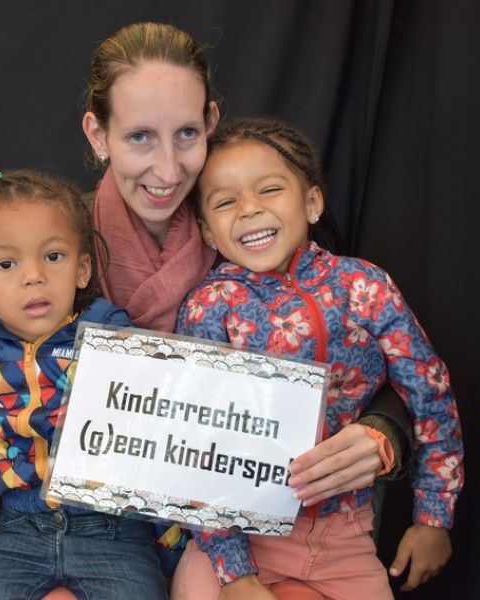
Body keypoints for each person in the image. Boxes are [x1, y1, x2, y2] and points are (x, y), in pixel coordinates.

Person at [78, 21, 415, 580]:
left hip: (263, 540)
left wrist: (386, 429)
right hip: (103, 535)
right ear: (98, 134)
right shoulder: (59, 249)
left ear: (211, 121)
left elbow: (360, 347)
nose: (168, 169)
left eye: (187, 133)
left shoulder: (258, 222)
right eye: (139, 137)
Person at [171, 116, 463, 599]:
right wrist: (234, 571)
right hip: (239, 540)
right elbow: (195, 441)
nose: (249, 209)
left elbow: (429, 391)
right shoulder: (208, 308)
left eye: (269, 189)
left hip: (346, 539)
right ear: (206, 230)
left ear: (312, 202)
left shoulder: (364, 286)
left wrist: (433, 517)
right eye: (225, 202)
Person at [0, 167, 168, 600]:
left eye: (54, 256)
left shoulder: (112, 336)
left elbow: (161, 422)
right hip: (17, 529)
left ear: (82, 270)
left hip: (113, 530)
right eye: (6, 264)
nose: (33, 275)